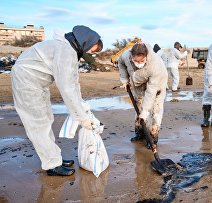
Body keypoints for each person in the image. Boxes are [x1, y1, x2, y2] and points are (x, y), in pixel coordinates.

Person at [11, 25, 103, 176]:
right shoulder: (65, 51)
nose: (91, 54)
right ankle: (52, 165)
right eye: (92, 50)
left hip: (37, 83)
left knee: (46, 119)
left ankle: (54, 158)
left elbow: (74, 82)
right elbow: (66, 89)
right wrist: (82, 118)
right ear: (86, 42)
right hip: (26, 82)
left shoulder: (69, 49)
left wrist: (81, 106)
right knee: (38, 124)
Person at [117, 42, 167, 146]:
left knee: (155, 109)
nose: (139, 63)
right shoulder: (126, 55)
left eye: (142, 61)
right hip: (138, 81)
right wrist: (124, 79)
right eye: (136, 61)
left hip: (158, 82)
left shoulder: (155, 64)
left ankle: (153, 137)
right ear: (131, 55)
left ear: (146, 55)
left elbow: (151, 91)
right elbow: (120, 62)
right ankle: (140, 133)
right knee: (138, 104)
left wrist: (145, 112)